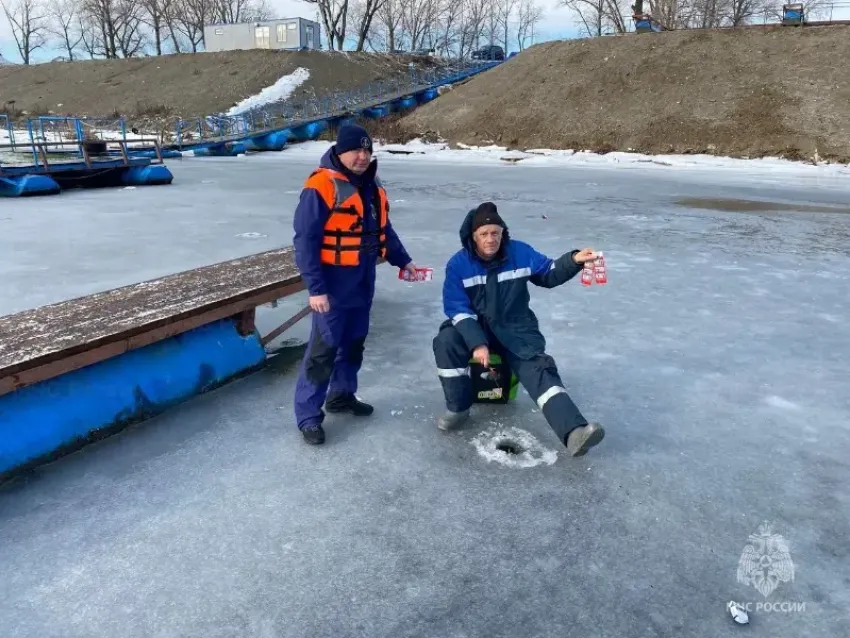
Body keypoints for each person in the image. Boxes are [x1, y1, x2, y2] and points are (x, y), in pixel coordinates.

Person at [432, 202, 605, 457]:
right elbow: (457, 308)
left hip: (515, 326)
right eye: (484, 234)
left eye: (495, 233)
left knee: (538, 367)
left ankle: (574, 432)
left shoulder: (519, 252)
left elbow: (548, 273)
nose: (491, 239)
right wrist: (477, 342)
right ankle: (458, 408)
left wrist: (574, 259)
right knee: (445, 340)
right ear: (473, 237)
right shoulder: (458, 264)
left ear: (503, 233)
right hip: (475, 325)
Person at [292, 124, 417, 445]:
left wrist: (404, 261)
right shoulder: (321, 185)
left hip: (362, 281)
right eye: (356, 150)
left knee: (354, 343)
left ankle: (341, 395)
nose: (362, 157)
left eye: (367, 150)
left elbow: (384, 231)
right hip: (332, 284)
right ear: (340, 151)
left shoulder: (372, 187)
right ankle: (308, 416)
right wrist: (315, 288)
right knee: (323, 351)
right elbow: (306, 241)